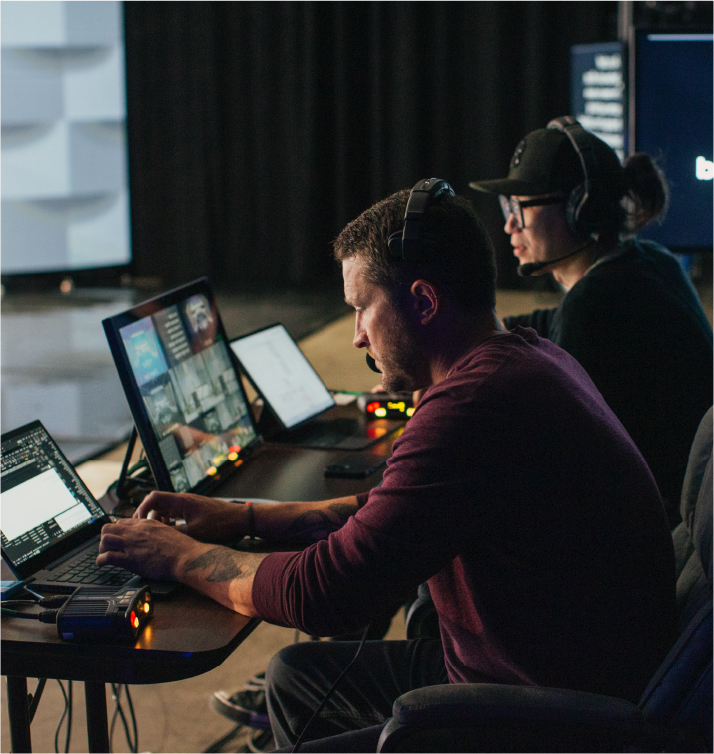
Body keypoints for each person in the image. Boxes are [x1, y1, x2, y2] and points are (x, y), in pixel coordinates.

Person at [97, 185, 676, 752]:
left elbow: (324, 593)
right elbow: (381, 513)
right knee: (295, 676)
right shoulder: (522, 357)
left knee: (302, 673)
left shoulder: (471, 408)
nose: (355, 337)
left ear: (423, 302)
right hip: (530, 670)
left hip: (537, 713)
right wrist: (242, 515)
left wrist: (177, 555)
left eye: (360, 309)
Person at [469, 116, 713, 528]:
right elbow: (550, 321)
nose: (510, 224)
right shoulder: (650, 261)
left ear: (579, 208)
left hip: (652, 530)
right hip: (683, 516)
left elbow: (549, 459)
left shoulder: (593, 307)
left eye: (521, 207)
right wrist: (468, 338)